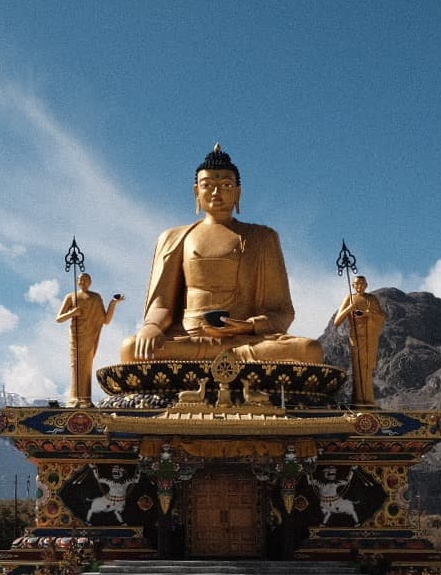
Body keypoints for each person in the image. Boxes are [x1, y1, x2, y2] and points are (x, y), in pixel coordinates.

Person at [120, 145, 324, 363]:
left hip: (244, 341)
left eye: (225, 185)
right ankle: (231, 361)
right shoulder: (175, 237)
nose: (216, 192)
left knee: (310, 350)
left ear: (237, 192)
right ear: (196, 191)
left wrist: (249, 326)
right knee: (131, 349)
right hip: (191, 338)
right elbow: (162, 305)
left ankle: (228, 359)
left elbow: (281, 311)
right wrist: (152, 327)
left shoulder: (262, 237)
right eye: (207, 185)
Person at [55, 273, 124, 405]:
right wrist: (72, 313)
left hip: (89, 335)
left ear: (90, 282)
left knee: (86, 366)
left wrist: (113, 304)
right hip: (76, 336)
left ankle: (85, 398)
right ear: (77, 282)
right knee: (76, 365)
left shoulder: (96, 297)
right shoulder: (71, 296)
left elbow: (106, 320)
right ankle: (74, 398)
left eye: (86, 280)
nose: (83, 282)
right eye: (81, 279)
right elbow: (59, 318)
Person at [334, 275, 386, 407]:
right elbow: (337, 321)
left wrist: (369, 314)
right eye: (357, 284)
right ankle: (358, 400)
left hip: (370, 337)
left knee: (368, 368)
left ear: (366, 285)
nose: (360, 286)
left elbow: (381, 318)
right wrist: (349, 309)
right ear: (353, 285)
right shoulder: (349, 298)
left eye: (362, 284)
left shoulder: (372, 299)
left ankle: (369, 400)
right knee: (358, 369)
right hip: (356, 338)